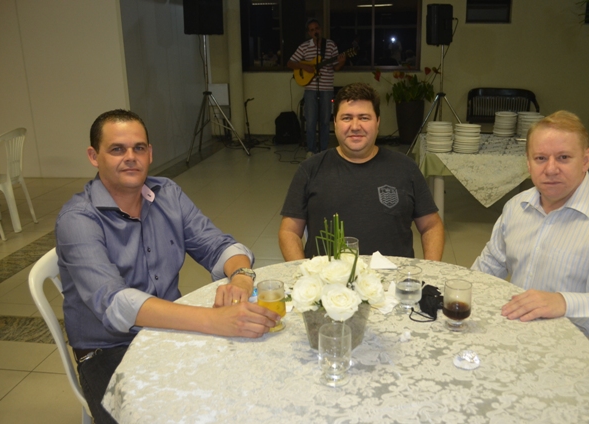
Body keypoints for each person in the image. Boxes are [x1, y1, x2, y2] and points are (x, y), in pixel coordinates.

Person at [56, 110, 279, 423]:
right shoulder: (78, 219)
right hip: (110, 350)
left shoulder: (167, 194)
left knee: (247, 385)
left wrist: (242, 277)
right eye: (117, 149)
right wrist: (214, 320)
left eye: (139, 148)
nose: (130, 157)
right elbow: (116, 303)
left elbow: (218, 245)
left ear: (150, 153)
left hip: (169, 329)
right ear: (94, 156)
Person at [471, 110, 589, 387]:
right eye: (540, 158)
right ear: (528, 162)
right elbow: (488, 269)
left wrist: (564, 303)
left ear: (585, 159)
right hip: (518, 336)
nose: (550, 169)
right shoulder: (516, 207)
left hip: (585, 351)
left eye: (563, 157)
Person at [279, 83, 444, 261]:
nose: (355, 126)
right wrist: (304, 273)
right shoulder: (310, 169)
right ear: (335, 122)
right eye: (346, 118)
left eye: (364, 118)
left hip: (393, 277)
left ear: (377, 122)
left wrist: (430, 270)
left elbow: (431, 226)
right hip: (330, 277)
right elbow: (289, 231)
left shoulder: (406, 168)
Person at [287, 18, 345, 157]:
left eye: (317, 28)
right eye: (312, 30)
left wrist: (342, 62)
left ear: (320, 29)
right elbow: (290, 63)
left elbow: (336, 67)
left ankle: (323, 150)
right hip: (310, 89)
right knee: (311, 120)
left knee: (325, 120)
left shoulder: (330, 45)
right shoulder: (304, 46)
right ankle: (311, 150)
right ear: (309, 33)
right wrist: (304, 66)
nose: (315, 31)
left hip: (327, 88)